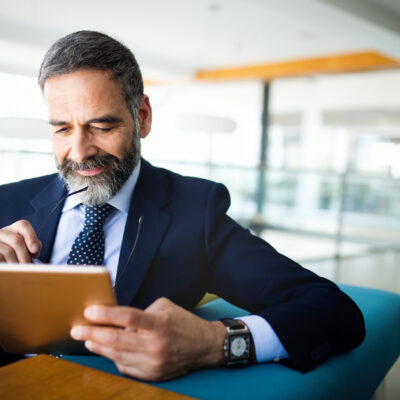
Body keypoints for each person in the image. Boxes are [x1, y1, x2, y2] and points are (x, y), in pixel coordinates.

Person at [0, 31, 365, 381]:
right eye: (62, 129)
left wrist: (214, 343)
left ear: (142, 117)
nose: (79, 152)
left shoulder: (196, 213)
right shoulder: (7, 201)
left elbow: (333, 311)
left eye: (102, 126)